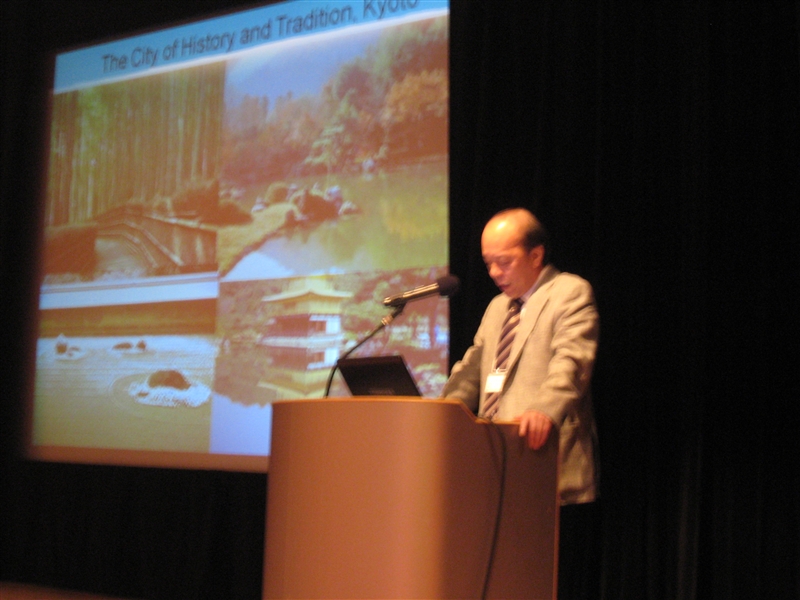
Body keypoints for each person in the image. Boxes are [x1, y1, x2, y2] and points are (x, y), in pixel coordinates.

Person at [443, 208, 601, 596]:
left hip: (546, 466)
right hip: (494, 467)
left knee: (544, 583)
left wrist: (544, 409)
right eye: (488, 263)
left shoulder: (569, 292)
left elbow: (572, 362)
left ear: (536, 255)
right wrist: (442, 411)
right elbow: (474, 367)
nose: (494, 272)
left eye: (504, 261)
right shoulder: (498, 307)